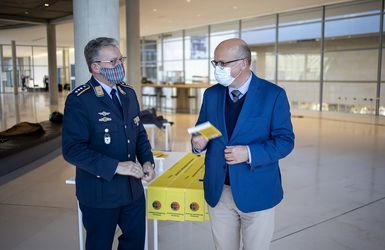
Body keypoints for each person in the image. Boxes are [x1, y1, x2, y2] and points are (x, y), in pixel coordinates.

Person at [191, 38, 295, 250]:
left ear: (244, 63)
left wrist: (248, 153)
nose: (218, 69)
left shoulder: (273, 95)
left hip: (257, 191)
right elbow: (201, 130)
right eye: (215, 63)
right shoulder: (212, 94)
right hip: (219, 192)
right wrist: (197, 143)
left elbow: (285, 141)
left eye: (223, 63)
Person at [62, 37, 156, 250]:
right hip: (99, 193)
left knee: (134, 244)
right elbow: (72, 150)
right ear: (95, 67)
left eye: (120, 60)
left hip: (133, 190)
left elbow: (139, 132)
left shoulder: (128, 93)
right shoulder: (80, 100)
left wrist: (148, 161)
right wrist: (116, 166)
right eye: (113, 62)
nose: (120, 65)